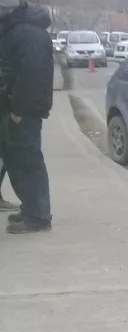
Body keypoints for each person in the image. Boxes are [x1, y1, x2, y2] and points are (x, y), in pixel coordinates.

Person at [0, 0, 53, 234]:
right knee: (16, 160)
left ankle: (38, 217)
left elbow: (32, 75)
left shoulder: (27, 33)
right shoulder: (15, 28)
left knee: (28, 160)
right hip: (13, 106)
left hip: (23, 110)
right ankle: (30, 208)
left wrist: (18, 110)